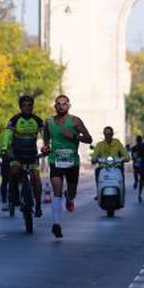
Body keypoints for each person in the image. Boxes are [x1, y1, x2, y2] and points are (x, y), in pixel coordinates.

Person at [42, 94, 92, 238]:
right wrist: (45, 147)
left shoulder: (75, 121)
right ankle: (56, 224)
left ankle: (69, 198)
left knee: (72, 192)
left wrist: (75, 137)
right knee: (56, 191)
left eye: (64, 103)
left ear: (69, 106)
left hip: (72, 162)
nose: (61, 106)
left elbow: (89, 139)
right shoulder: (49, 122)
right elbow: (46, 137)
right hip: (55, 160)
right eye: (58, 104)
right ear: (55, 106)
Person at [5, 94, 47, 228]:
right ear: (20, 107)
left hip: (32, 155)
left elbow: (45, 135)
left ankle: (38, 206)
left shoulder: (37, 120)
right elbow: (7, 135)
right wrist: (5, 148)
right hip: (17, 155)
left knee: (36, 177)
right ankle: (13, 195)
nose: (27, 108)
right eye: (24, 105)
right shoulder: (14, 120)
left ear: (33, 106)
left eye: (30, 105)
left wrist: (46, 146)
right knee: (14, 171)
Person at [0, 124, 14, 210]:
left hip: (5, 159)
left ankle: (4, 202)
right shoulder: (15, 134)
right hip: (14, 159)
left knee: (4, 181)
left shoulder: (2, 134)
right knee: (15, 179)